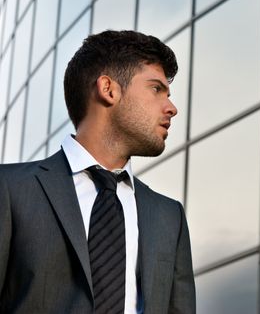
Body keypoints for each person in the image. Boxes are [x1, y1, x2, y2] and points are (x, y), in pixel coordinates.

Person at [0, 30, 195, 313]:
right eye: (156, 89)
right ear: (108, 89)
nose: (171, 108)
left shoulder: (169, 216)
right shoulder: (9, 189)